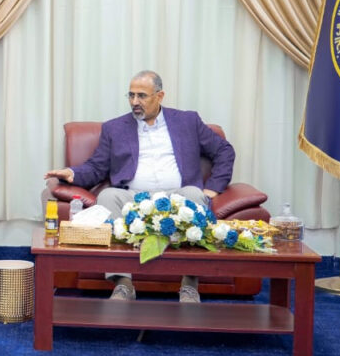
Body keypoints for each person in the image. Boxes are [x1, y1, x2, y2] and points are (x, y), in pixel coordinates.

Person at [44, 71, 234, 302]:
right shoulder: (115, 128)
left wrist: (213, 188)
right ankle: (123, 284)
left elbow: (224, 151)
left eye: (142, 96)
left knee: (195, 195)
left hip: (178, 196)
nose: (135, 101)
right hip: (134, 197)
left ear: (160, 96)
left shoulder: (188, 121)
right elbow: (97, 167)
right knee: (107, 196)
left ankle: (189, 285)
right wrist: (72, 173)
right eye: (131, 95)